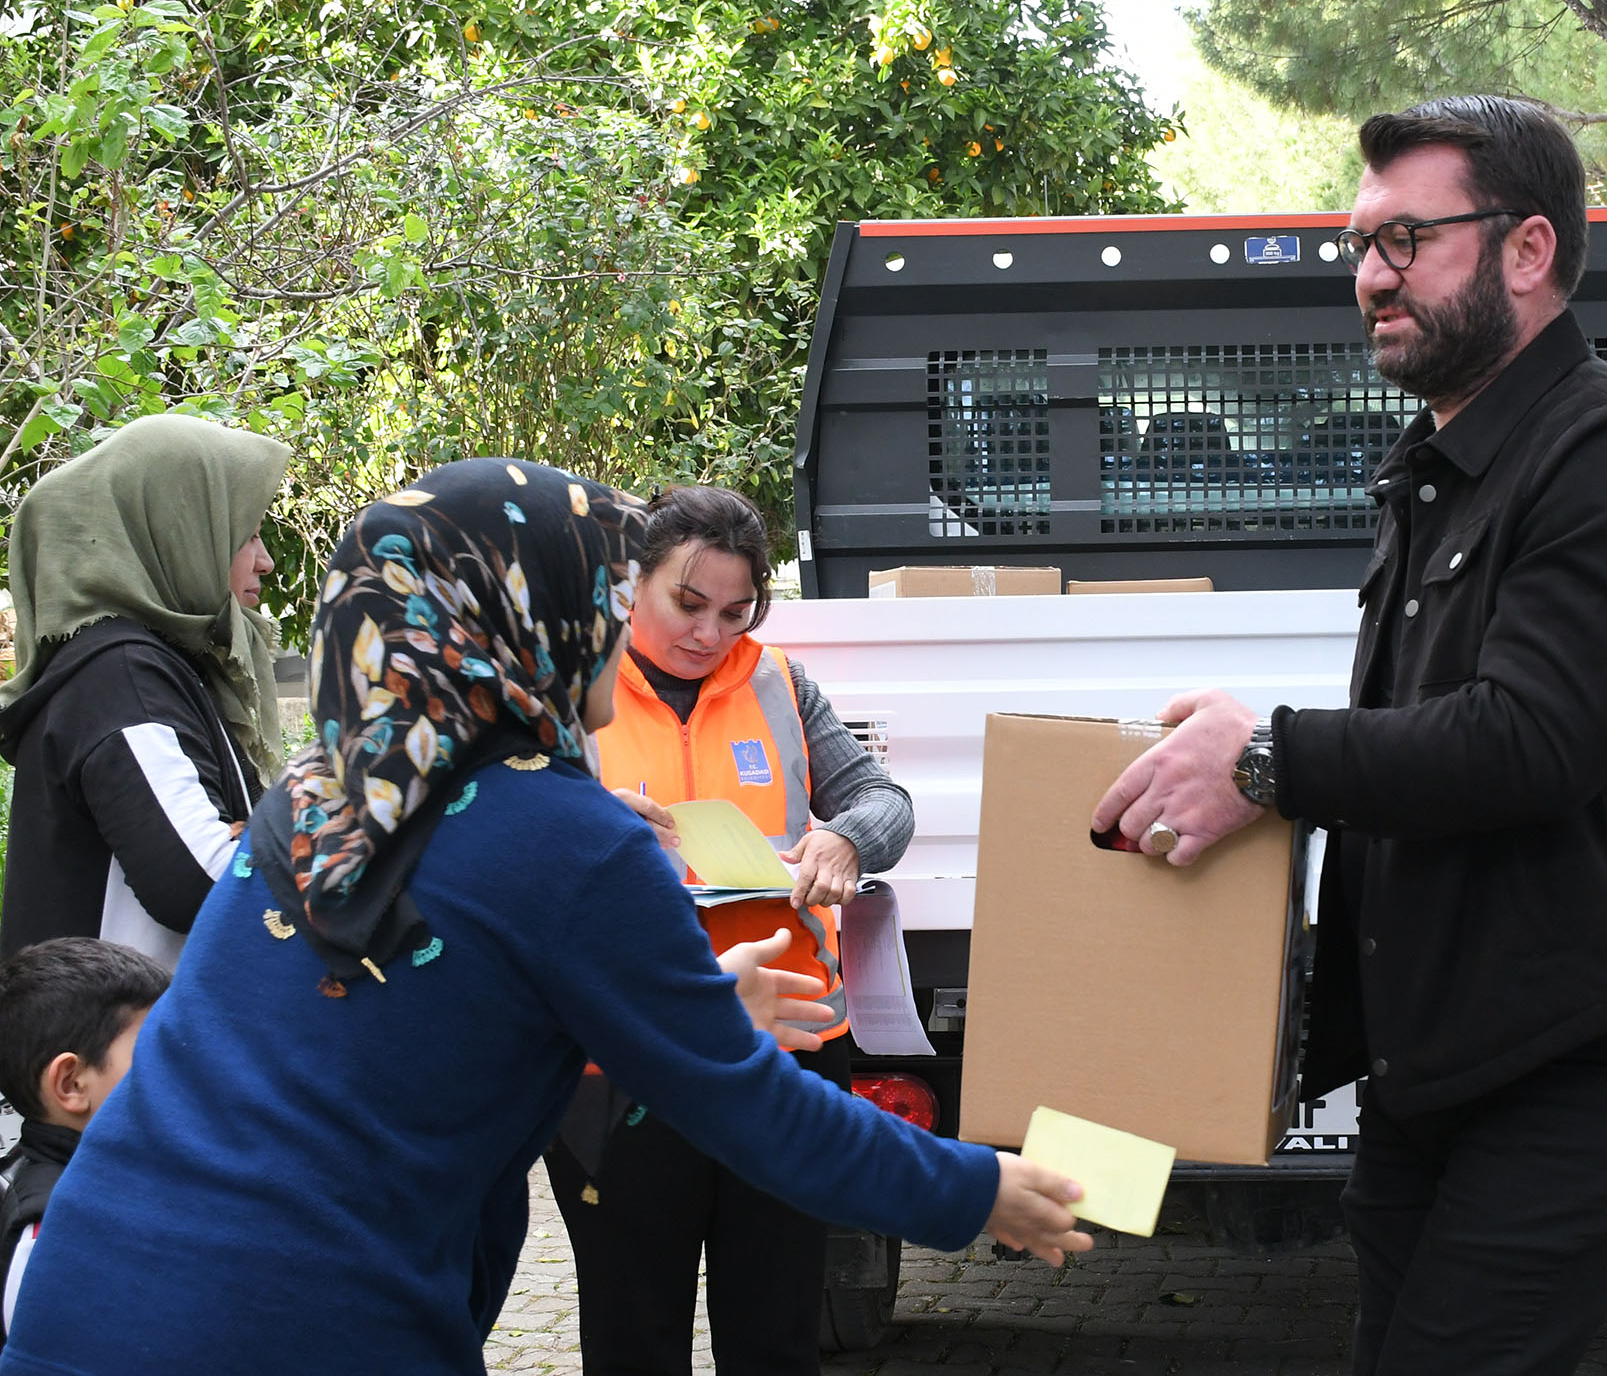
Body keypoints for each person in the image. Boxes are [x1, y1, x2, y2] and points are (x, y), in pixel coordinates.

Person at [0, 458, 1088, 1376]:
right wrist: (978, 1186)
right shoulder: (564, 834)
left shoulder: (322, 791)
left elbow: (419, 1027)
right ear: (529, 620)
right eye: (612, 603)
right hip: (289, 1321)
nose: (630, 633)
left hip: (83, 1292)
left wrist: (696, 1010)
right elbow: (761, 1116)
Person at [1092, 96, 1607, 1376]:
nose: (1367, 276)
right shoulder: (1438, 469)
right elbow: (1428, 744)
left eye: (1405, 240)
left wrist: (1266, 758)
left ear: (1524, 250)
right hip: (1441, 1066)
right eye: (1360, 244)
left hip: (1588, 1061)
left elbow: (1526, 742)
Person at [547, 484, 911, 1375]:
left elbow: (883, 800)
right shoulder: (561, 688)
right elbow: (482, 832)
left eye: (736, 611)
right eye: (687, 602)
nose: (710, 633)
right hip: (625, 1057)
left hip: (786, 1051)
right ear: (628, 582)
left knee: (778, 1328)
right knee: (635, 1331)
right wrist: (584, 818)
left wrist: (842, 839)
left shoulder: (780, 682)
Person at [0, 413, 291, 967]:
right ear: (177, 532)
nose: (265, 561)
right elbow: (201, 878)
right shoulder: (120, 675)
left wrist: (251, 835)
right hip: (104, 1044)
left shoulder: (164, 663)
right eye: (246, 534)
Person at [0, 938, 171, 1351]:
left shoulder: (111, 1177)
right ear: (72, 1084)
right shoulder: (53, 1236)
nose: (183, 1070)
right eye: (158, 1053)